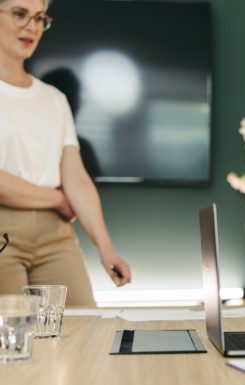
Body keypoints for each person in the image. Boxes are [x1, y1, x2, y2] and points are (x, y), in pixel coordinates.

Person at [0, 0, 131, 307]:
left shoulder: (54, 99)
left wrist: (106, 247)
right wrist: (56, 199)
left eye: (39, 18)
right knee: (13, 343)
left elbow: (77, 179)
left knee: (84, 330)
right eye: (20, 14)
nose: (31, 27)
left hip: (55, 235)